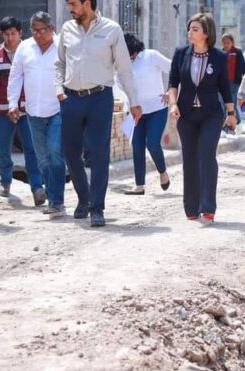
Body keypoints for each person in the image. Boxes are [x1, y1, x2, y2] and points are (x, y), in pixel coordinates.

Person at [55, 0, 142, 227]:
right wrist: (58, 89)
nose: (69, 8)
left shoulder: (111, 29)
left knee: (99, 153)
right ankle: (84, 198)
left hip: (100, 98)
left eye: (73, 3)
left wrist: (134, 101)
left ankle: (97, 207)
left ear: (87, 4)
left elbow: (124, 69)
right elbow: (59, 64)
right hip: (71, 98)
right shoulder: (67, 29)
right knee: (71, 152)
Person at [168, 13, 236, 223]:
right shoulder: (181, 54)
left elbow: (225, 88)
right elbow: (173, 82)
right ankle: (191, 208)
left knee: (206, 155)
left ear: (206, 33)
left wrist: (231, 114)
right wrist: (173, 104)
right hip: (186, 114)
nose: (190, 32)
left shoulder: (218, 57)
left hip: (211, 114)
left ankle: (208, 206)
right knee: (190, 159)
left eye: (195, 29)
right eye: (189, 29)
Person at [9, 12, 67, 215]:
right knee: (42, 158)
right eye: (34, 30)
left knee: (55, 153)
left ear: (52, 29)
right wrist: (12, 103)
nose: (38, 34)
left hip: (58, 110)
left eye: (42, 30)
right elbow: (15, 76)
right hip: (33, 111)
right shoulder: (25, 48)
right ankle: (52, 196)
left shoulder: (63, 46)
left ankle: (57, 200)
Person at [0, 16, 44, 204]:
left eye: (13, 33)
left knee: (31, 149)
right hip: (3, 112)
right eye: (7, 34)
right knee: (4, 149)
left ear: (20, 33)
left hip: (28, 111)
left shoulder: (31, 52)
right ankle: (5, 181)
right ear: (2, 34)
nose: (10, 37)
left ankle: (37, 187)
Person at [119, 32, 171, 196]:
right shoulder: (122, 65)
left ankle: (162, 172)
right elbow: (121, 87)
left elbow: (175, 69)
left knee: (152, 143)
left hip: (157, 108)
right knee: (137, 146)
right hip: (137, 111)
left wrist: (171, 91)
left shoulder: (151, 56)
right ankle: (139, 185)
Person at [221, 33, 245, 125]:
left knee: (231, 102)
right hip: (223, 82)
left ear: (232, 42)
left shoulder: (237, 52)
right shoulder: (221, 53)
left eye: (228, 43)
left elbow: (243, 67)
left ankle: (238, 122)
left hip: (234, 82)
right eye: (224, 43)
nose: (226, 45)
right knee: (223, 103)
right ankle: (225, 123)